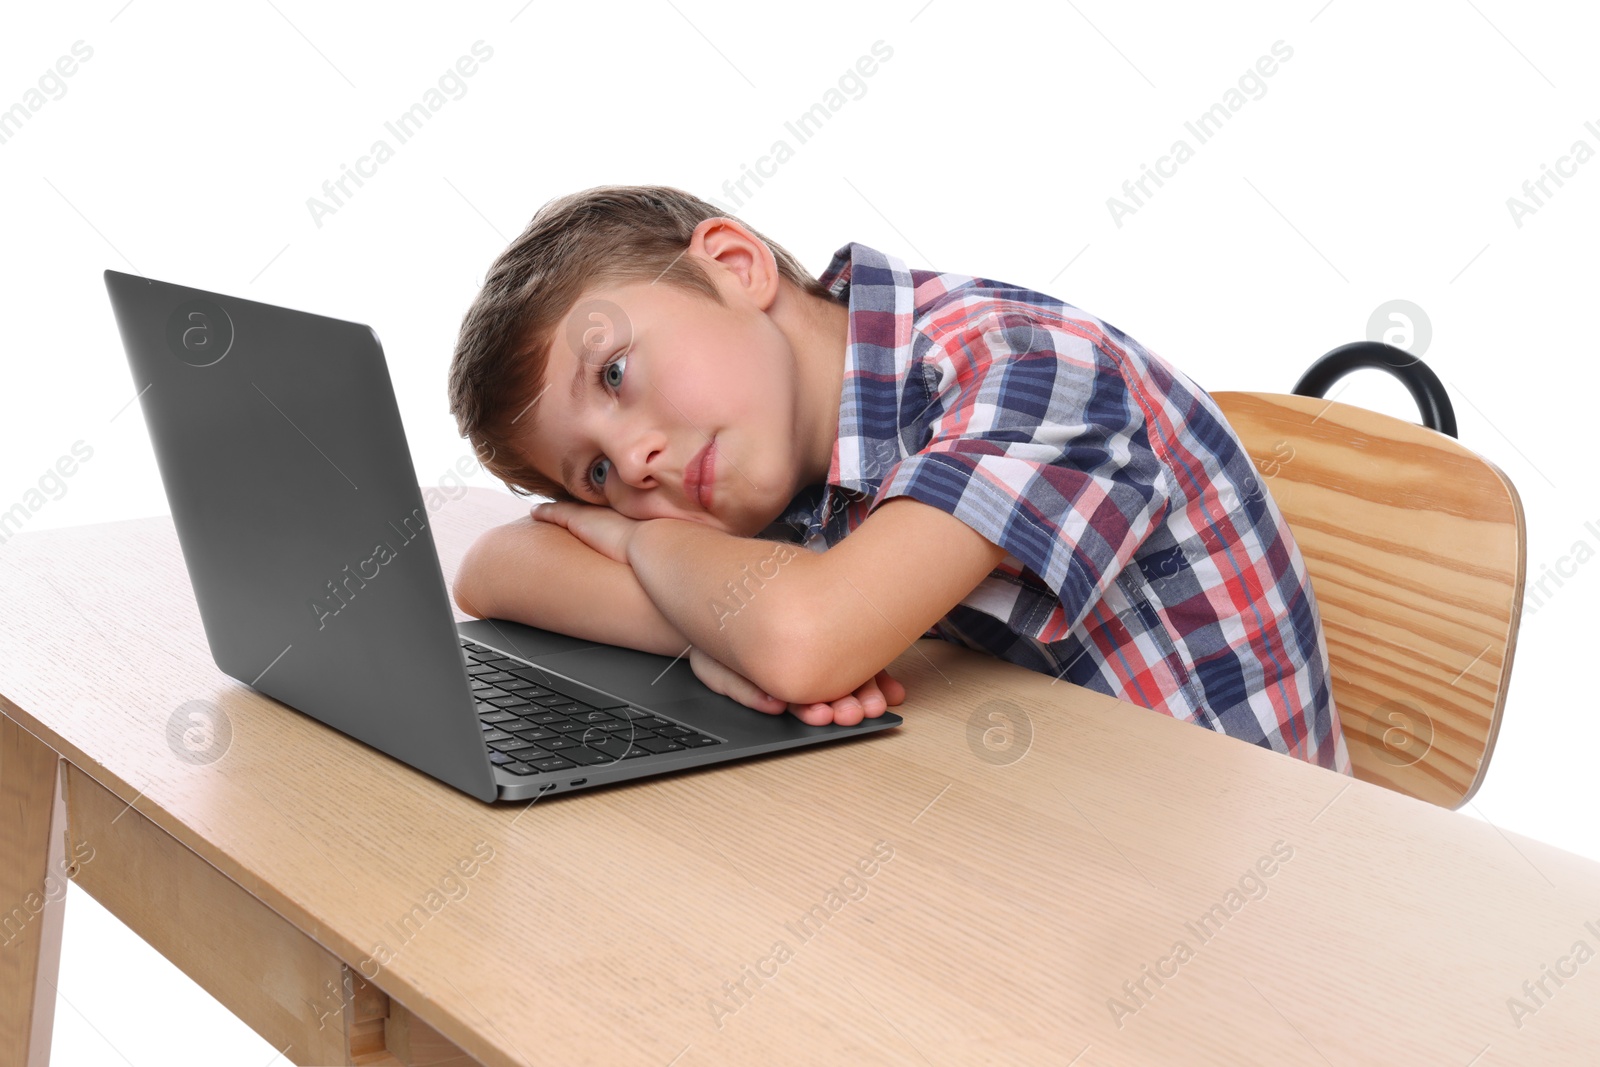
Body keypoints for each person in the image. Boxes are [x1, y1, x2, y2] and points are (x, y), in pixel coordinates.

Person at [447, 184, 1352, 774]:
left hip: (1248, 926)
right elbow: (493, 568)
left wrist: (644, 541)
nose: (635, 462)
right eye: (595, 473)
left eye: (614, 374)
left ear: (732, 266)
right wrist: (713, 632)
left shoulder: (1024, 367)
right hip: (1029, 842)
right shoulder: (771, 441)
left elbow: (805, 641)